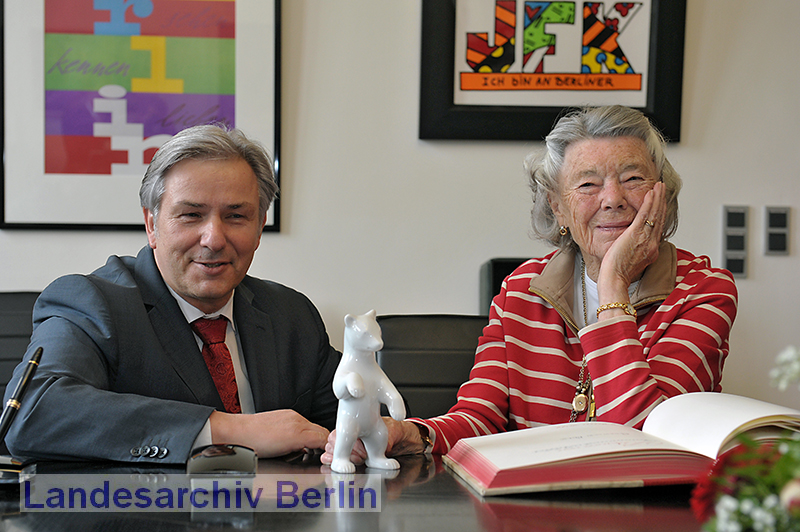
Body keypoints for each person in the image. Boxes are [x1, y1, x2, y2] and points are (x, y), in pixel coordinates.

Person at [322, 105, 738, 463]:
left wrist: (613, 282)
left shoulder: (704, 290)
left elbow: (649, 440)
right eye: (588, 184)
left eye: (632, 179)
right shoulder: (520, 291)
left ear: (661, 197)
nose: (612, 198)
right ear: (557, 206)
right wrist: (409, 435)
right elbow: (479, 417)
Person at [3, 124, 341, 464]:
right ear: (152, 225)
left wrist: (387, 431)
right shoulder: (92, 302)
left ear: (258, 228)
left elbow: (360, 410)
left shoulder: (290, 312)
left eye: (236, 216)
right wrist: (230, 431)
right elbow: (34, 413)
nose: (213, 239)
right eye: (191, 215)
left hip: (278, 512)